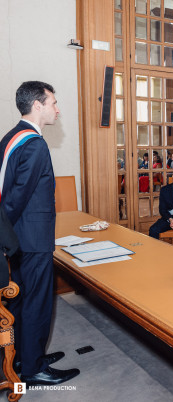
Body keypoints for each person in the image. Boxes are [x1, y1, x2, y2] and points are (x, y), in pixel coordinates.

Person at [0, 81, 79, 385]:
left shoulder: (12, 136)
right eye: (53, 103)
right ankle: (34, 370)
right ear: (37, 105)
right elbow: (17, 197)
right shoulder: (34, 143)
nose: (57, 109)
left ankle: (22, 355)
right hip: (32, 240)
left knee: (20, 300)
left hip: (19, 239)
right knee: (37, 302)